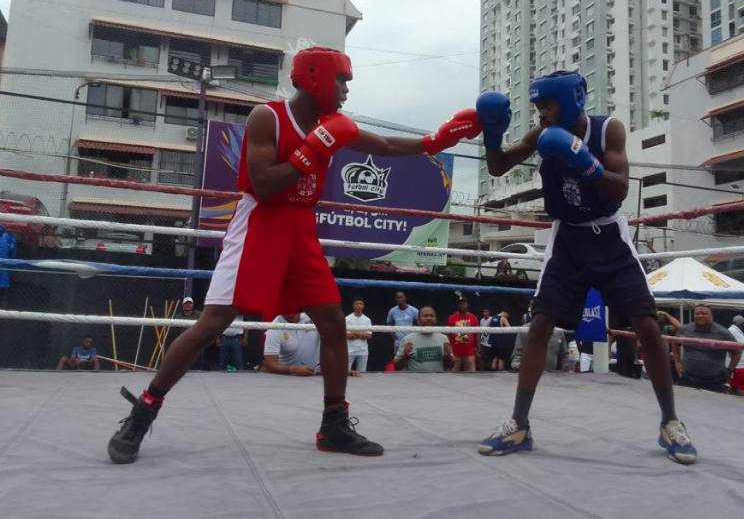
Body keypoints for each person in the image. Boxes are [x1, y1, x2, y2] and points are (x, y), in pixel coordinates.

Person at [107, 47, 481, 464]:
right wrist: (311, 151)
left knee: (332, 322)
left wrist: (435, 141)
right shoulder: (267, 117)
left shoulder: (332, 125)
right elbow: (264, 184)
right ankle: (144, 410)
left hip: (301, 227)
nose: (346, 90)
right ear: (316, 77)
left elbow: (387, 144)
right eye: (341, 80)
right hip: (260, 224)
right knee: (213, 323)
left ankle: (334, 424)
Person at [475, 72, 697, 463]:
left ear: (570, 102)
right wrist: (491, 135)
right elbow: (498, 167)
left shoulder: (609, 130)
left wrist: (582, 159)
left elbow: (620, 189)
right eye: (538, 107)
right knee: (540, 325)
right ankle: (519, 424)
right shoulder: (541, 135)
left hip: (609, 237)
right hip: (568, 242)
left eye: (548, 106)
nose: (542, 114)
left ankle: (671, 422)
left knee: (647, 325)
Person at [262, 313, 358, 377]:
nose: (291, 313)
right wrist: (292, 369)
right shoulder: (274, 327)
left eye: (293, 309)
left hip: (317, 375)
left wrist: (339, 369)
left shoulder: (313, 317)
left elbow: (331, 338)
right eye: (286, 310)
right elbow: (270, 363)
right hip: (288, 378)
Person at [672, 305, 740, 394]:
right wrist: (677, 362)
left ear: (711, 315)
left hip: (715, 381)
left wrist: (730, 370)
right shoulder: (685, 330)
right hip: (688, 378)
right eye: (697, 313)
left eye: (704, 313)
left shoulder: (723, 333)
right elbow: (675, 343)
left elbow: (737, 352)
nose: (700, 315)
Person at [393, 306, 454, 372]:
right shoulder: (408, 339)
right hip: (415, 378)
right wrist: (405, 355)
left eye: (431, 316)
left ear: (436, 319)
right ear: (418, 320)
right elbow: (397, 367)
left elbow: (451, 366)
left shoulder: (443, 338)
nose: (429, 318)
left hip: (439, 378)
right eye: (425, 316)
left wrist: (448, 355)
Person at [447, 298, 479, 372]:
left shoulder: (473, 318)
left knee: (471, 375)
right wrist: (449, 352)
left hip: (470, 353)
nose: (462, 305)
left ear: (467, 305)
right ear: (457, 305)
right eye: (460, 304)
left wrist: (478, 350)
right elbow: (448, 335)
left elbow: (477, 335)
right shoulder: (451, 318)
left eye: (464, 303)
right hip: (455, 352)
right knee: (454, 375)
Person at [726, 315, 744, 396]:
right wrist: (732, 365)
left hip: (740, 366)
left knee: (733, 389)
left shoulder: (736, 332)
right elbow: (733, 349)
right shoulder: (732, 331)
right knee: (741, 390)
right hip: (739, 366)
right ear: (740, 324)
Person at [345, 297, 371, 373]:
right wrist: (361, 334)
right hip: (349, 351)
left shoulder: (367, 319)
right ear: (353, 306)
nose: (359, 305)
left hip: (363, 351)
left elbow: (368, 336)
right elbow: (347, 335)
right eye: (356, 304)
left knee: (362, 374)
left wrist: (354, 332)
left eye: (360, 304)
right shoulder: (347, 319)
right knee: (346, 373)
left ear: (363, 306)